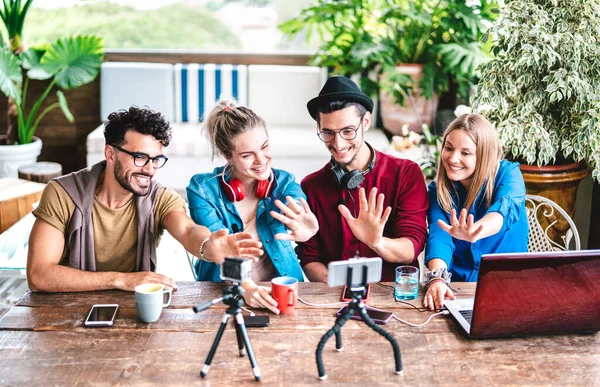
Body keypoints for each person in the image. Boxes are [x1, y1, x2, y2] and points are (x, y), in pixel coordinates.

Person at [27, 106, 262, 293]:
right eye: (140, 158)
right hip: (64, 310)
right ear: (110, 154)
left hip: (135, 310)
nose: (150, 169)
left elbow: (189, 231)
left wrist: (208, 247)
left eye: (156, 159)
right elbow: (39, 275)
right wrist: (121, 280)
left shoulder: (160, 198)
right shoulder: (62, 193)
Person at [186, 98, 319, 314]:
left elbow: (296, 206)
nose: (261, 160)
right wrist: (247, 288)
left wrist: (307, 229)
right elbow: (219, 251)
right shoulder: (201, 190)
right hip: (225, 293)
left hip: (283, 293)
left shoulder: (284, 183)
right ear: (226, 156)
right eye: (247, 155)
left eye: (265, 147)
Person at [298, 76, 429, 282]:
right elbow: (310, 258)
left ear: (365, 121)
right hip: (335, 296)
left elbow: (411, 247)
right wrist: (343, 288)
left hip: (392, 296)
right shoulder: (310, 186)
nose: (338, 144)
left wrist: (377, 242)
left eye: (348, 131)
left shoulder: (406, 173)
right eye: (328, 133)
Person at [423, 113, 528, 310]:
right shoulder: (438, 190)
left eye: (466, 153)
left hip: (509, 287)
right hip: (457, 290)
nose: (453, 158)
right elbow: (439, 238)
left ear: (484, 155)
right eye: (449, 148)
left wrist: (476, 230)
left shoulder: (508, 173)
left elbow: (503, 212)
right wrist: (437, 280)